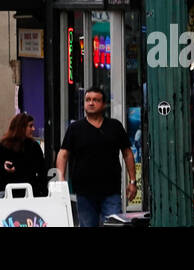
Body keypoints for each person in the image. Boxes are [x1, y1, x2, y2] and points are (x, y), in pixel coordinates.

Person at [55, 86, 137, 227]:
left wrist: (133, 181)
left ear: (103, 104)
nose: (91, 103)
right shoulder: (75, 128)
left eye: (95, 100)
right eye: (88, 100)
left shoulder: (114, 126)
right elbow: (63, 154)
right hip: (84, 192)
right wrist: (61, 179)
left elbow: (127, 153)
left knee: (114, 225)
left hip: (111, 191)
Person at [0, 113, 48, 197]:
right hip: (9, 194)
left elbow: (42, 172)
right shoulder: (4, 146)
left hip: (30, 194)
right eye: (30, 126)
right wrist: (4, 168)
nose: (33, 129)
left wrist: (42, 193)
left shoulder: (34, 146)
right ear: (21, 127)